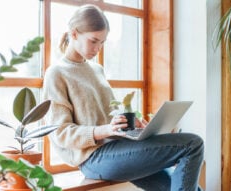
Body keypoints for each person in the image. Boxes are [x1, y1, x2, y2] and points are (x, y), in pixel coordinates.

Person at [42, 4, 204, 191]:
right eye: (93, 41)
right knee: (193, 144)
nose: (98, 49)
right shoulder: (56, 73)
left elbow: (110, 113)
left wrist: (131, 123)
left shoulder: (96, 69)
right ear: (74, 34)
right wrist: (106, 129)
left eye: (102, 42)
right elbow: (61, 133)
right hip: (94, 159)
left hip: (119, 148)